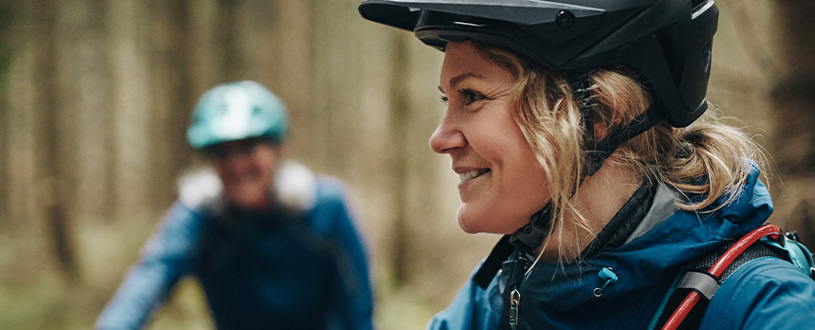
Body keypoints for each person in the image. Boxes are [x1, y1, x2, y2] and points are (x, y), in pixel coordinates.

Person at [359, 1, 815, 329]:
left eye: (472, 96)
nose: (440, 138)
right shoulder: (498, 300)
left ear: (598, 113)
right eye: (447, 99)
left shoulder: (761, 310)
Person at [96, 81, 374, 330]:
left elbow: (357, 307)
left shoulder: (324, 208)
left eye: (248, 147)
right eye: (221, 152)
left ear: (280, 148)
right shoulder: (199, 217)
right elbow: (149, 280)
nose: (235, 164)